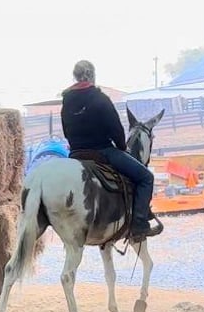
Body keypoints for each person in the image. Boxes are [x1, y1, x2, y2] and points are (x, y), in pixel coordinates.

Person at [60, 60, 161, 240]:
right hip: (102, 151)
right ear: (92, 75)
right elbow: (115, 129)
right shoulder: (100, 98)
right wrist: (122, 148)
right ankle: (139, 224)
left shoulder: (66, 101)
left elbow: (66, 130)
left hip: (76, 154)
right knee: (146, 177)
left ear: (75, 76)